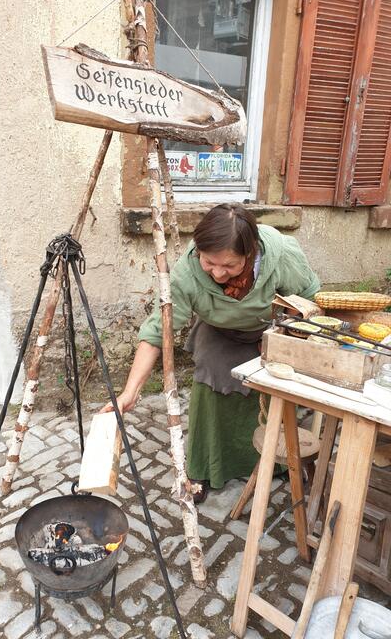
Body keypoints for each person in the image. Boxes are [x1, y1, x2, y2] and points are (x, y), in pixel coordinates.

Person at [104, 203, 320, 503]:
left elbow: (308, 298)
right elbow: (157, 332)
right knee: (210, 377)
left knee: (278, 384)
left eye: (229, 265)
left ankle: (279, 462)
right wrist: (130, 391)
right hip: (219, 331)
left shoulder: (280, 255)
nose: (218, 273)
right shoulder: (186, 275)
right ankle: (203, 468)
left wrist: (281, 335)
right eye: (209, 262)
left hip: (271, 332)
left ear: (250, 252)